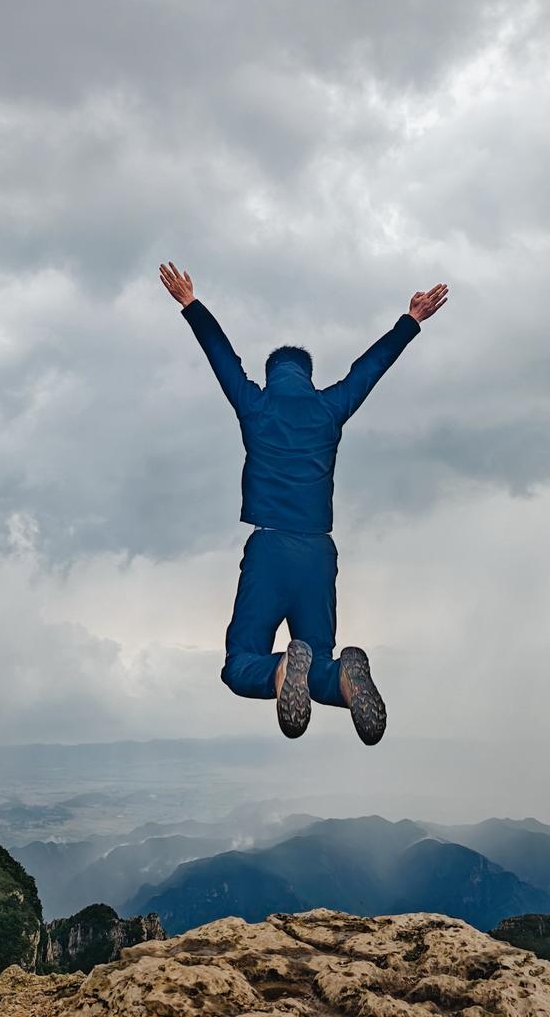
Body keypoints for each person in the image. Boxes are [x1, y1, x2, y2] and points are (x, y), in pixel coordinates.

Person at [159, 261, 449, 745]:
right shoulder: (329, 408)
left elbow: (222, 359)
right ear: (310, 380)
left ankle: (277, 672)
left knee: (241, 665)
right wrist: (410, 321)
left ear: (270, 378)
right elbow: (368, 370)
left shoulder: (256, 406)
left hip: (270, 548)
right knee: (317, 661)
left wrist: (191, 305)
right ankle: (343, 679)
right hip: (318, 553)